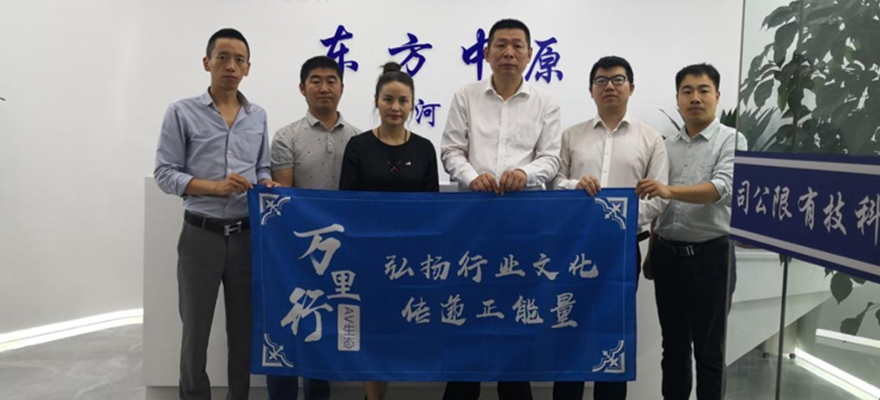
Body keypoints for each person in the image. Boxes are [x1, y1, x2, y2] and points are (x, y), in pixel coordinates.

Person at [154, 28, 279, 400]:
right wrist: (215, 187)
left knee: (242, 332)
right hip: (201, 236)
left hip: (245, 236)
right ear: (207, 62)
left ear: (248, 67)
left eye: (239, 60)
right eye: (223, 57)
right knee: (195, 331)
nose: (231, 66)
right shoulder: (182, 112)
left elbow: (262, 166)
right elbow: (165, 173)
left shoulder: (257, 116)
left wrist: (265, 181)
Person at [439, 18, 561, 400]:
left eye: (517, 45)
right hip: (472, 222)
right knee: (467, 314)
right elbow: (451, 150)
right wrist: (471, 176)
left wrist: (525, 173)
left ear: (529, 54)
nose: (508, 52)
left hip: (524, 224)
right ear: (487, 52)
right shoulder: (466, 96)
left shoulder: (545, 102)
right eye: (501, 45)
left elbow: (551, 158)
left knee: (516, 314)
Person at [551, 55, 669, 400]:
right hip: (575, 246)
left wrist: (616, 221)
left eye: (618, 80)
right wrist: (574, 185)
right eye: (601, 81)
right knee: (569, 323)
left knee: (613, 332)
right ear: (591, 90)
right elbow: (554, 182)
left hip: (622, 248)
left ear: (631, 87)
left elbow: (658, 198)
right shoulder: (571, 136)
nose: (609, 87)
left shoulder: (650, 139)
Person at [635, 63, 747, 400]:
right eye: (687, 91)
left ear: (717, 96)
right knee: (673, 349)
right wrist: (653, 251)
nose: (695, 98)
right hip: (668, 257)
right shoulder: (666, 146)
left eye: (703, 90)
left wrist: (668, 190)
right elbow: (658, 206)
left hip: (712, 258)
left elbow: (721, 189)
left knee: (709, 352)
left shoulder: (732, 139)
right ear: (678, 99)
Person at [339, 62, 439, 399]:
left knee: (401, 325)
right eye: (388, 100)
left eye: (403, 101)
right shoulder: (358, 146)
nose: (395, 107)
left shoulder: (424, 148)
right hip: (367, 255)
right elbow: (346, 203)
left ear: (412, 105)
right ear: (376, 101)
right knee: (372, 329)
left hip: (410, 257)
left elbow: (432, 208)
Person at [266, 55, 360, 400]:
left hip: (341, 250)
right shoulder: (286, 136)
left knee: (323, 330)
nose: (324, 87)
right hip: (294, 250)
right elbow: (284, 198)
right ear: (302, 88)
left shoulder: (358, 139)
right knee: (290, 325)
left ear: (342, 88)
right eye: (315, 81)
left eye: (331, 80)